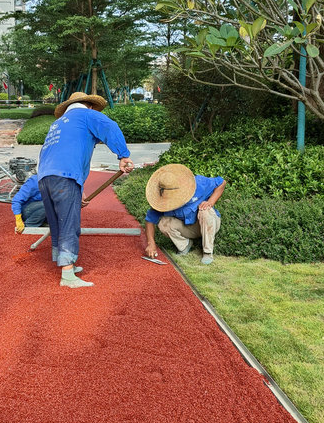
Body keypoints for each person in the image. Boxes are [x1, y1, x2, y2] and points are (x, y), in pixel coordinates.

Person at [37, 91, 134, 288]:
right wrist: (123, 156)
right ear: (89, 105)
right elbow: (110, 127)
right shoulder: (87, 115)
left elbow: (65, 153)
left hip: (44, 177)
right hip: (65, 176)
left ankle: (64, 263)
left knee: (57, 221)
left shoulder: (58, 124)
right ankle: (67, 275)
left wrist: (78, 190)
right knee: (69, 223)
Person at [144, 163, 226, 265]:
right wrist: (151, 243)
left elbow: (222, 182)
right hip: (187, 228)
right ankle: (184, 245)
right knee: (163, 223)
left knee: (205, 211)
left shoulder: (199, 183)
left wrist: (210, 202)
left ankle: (208, 252)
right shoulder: (162, 200)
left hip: (208, 223)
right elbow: (149, 220)